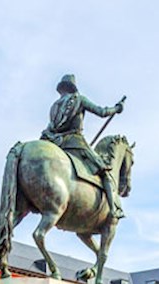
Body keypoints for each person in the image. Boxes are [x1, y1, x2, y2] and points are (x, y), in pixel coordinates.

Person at [41, 74, 126, 218]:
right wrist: (116, 108)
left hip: (57, 144)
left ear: (62, 88)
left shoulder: (54, 106)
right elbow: (102, 112)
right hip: (75, 142)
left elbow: (52, 126)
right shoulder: (79, 99)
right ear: (73, 87)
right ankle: (114, 209)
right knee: (105, 170)